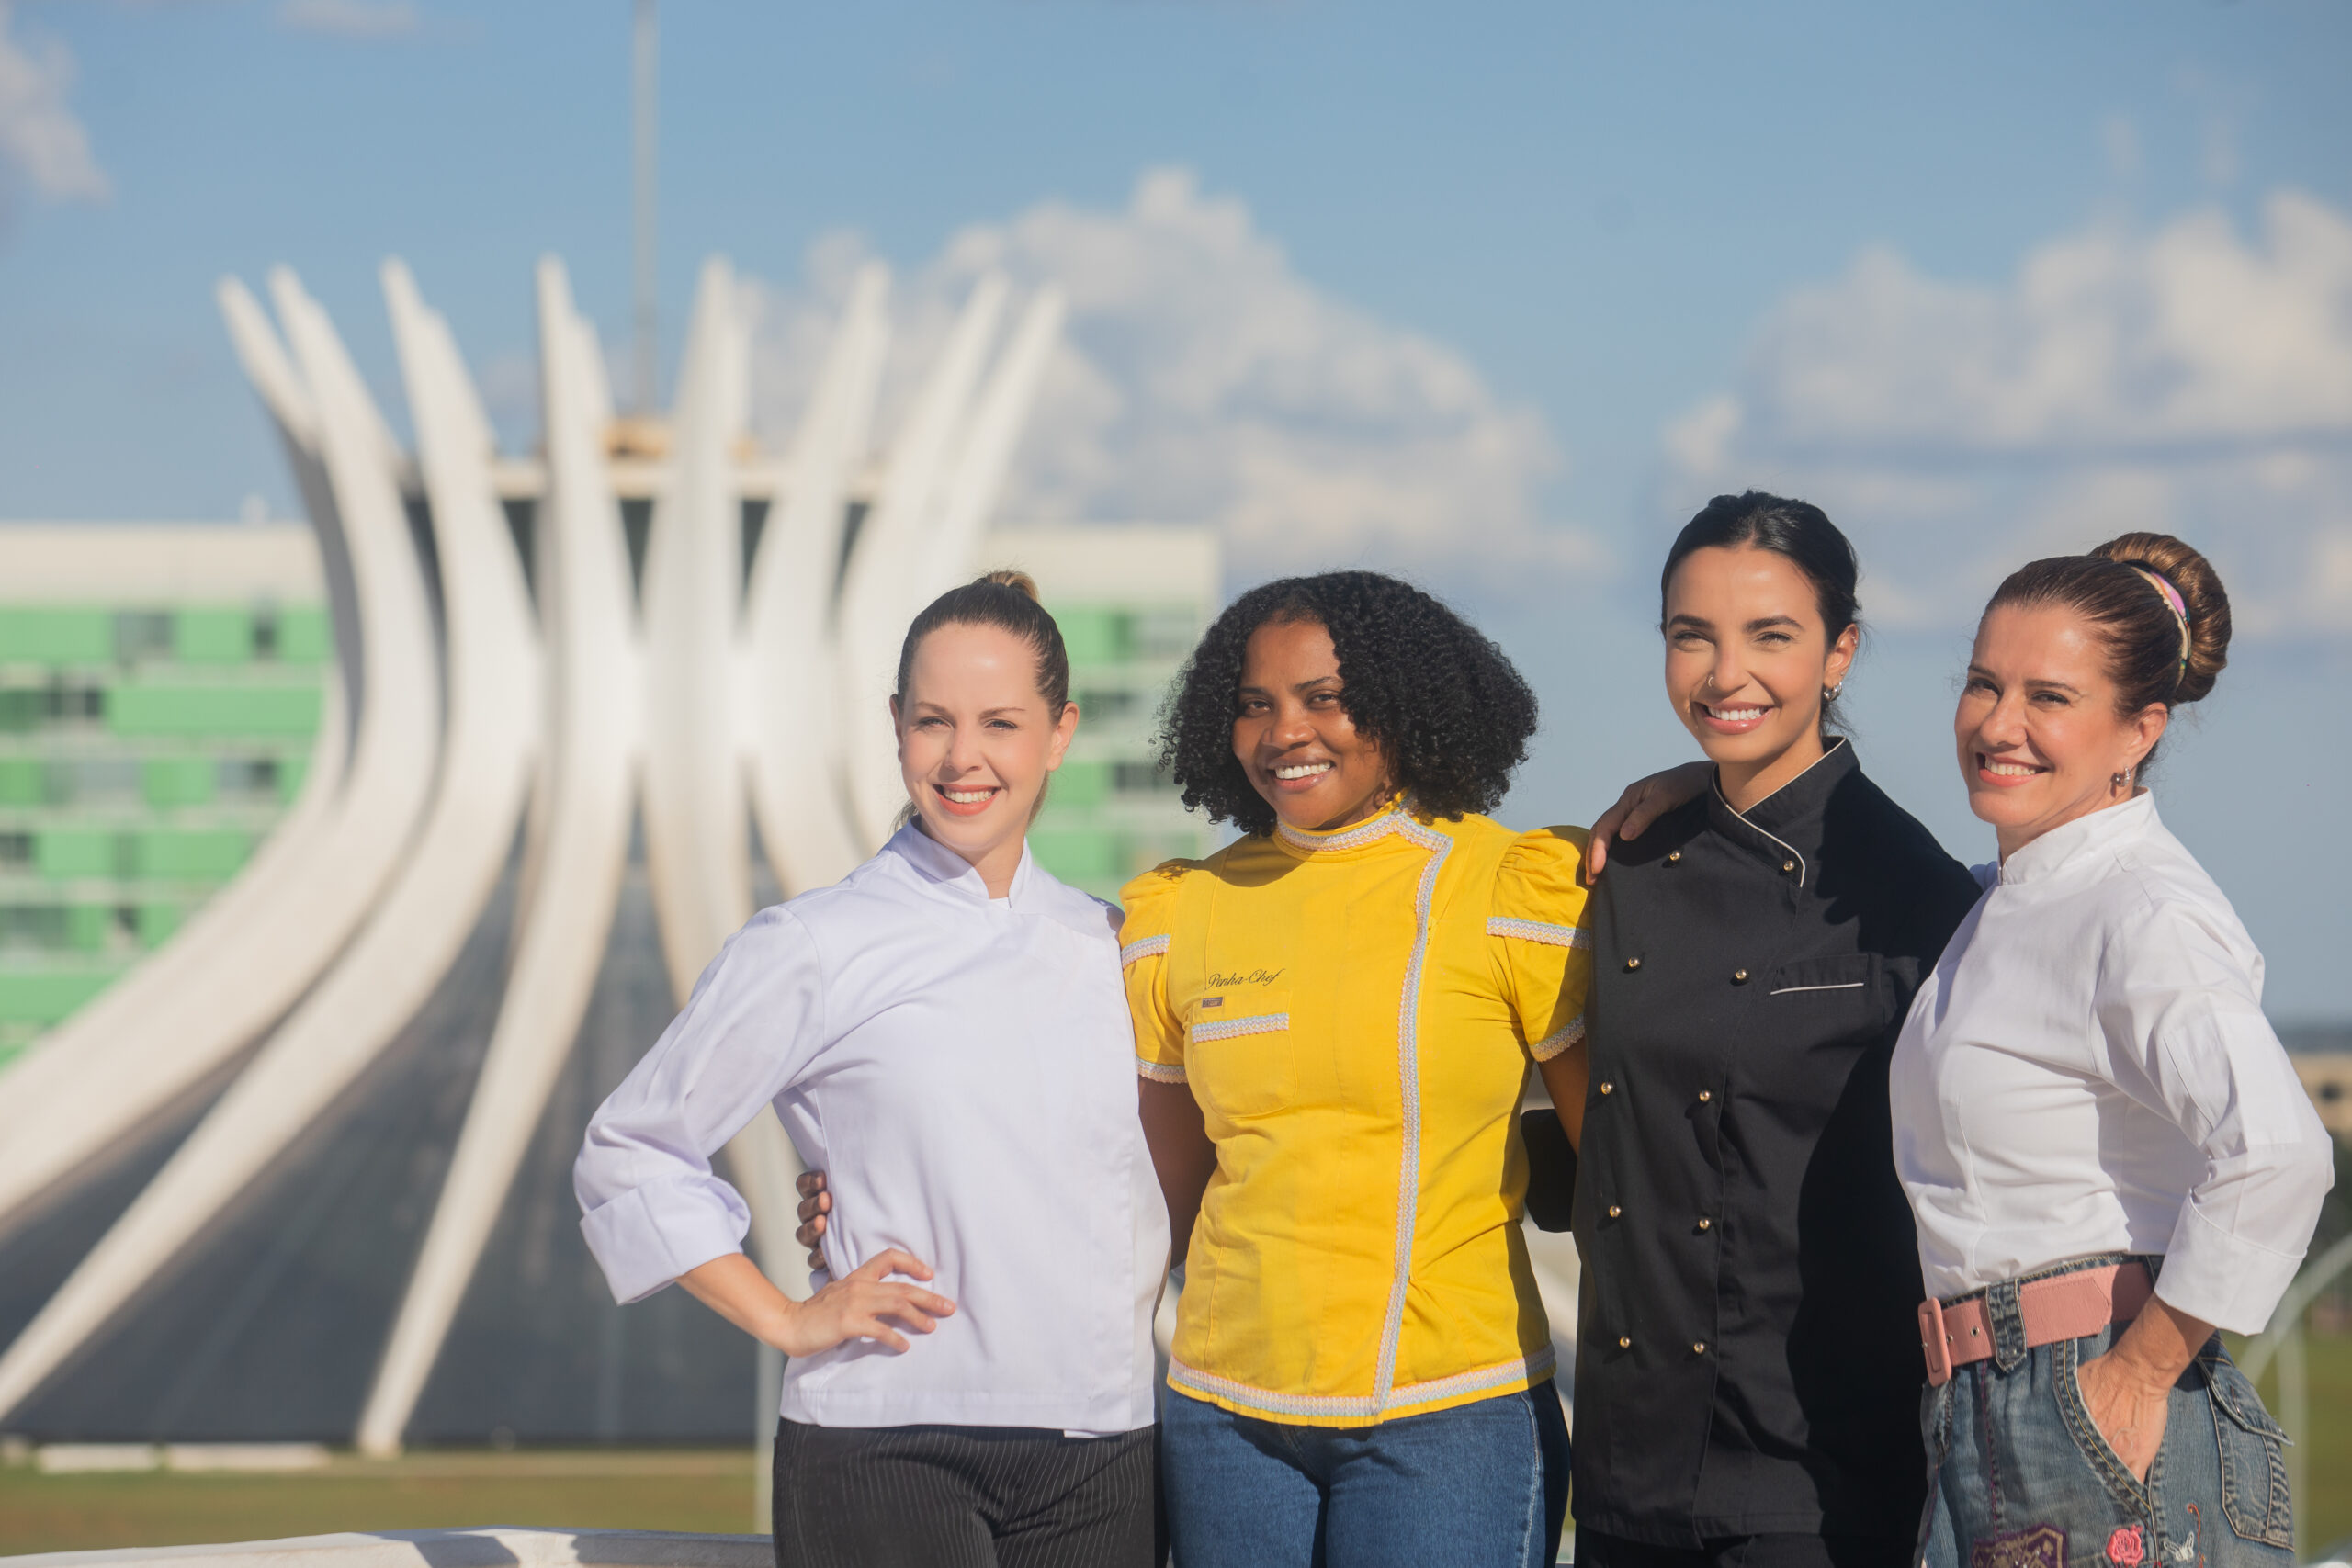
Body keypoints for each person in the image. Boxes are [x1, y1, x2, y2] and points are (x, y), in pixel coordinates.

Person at [573, 571, 1168, 1568]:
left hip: (1106, 1445)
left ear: (1059, 733)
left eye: (1001, 723)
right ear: (894, 727)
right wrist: (788, 1316)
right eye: (933, 721)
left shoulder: (1115, 943)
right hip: (885, 1438)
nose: (963, 757)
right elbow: (630, 1149)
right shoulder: (812, 942)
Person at [1528, 491, 1982, 1568]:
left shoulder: (1911, 895)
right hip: (1629, 1467)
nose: (1725, 674)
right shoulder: (1625, 864)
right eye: (1693, 637)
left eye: (1769, 635)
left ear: (1840, 652)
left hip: (1819, 1478)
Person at [1122, 570, 1586, 1568]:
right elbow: (1159, 1197)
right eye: (1255, 704)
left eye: (1324, 698)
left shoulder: (1505, 886)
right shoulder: (1180, 913)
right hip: (1222, 1416)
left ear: (1406, 702)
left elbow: (1619, 1167)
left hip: (1449, 1413)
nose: (1286, 731)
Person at [1896, 534, 2334, 1562]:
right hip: (1985, 1401)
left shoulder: (2139, 908)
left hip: (2084, 1394)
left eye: (2047, 697)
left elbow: (2277, 1155)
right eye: (1981, 684)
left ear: (2137, 730)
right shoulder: (2010, 896)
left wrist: (2131, 1379)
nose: (1998, 725)